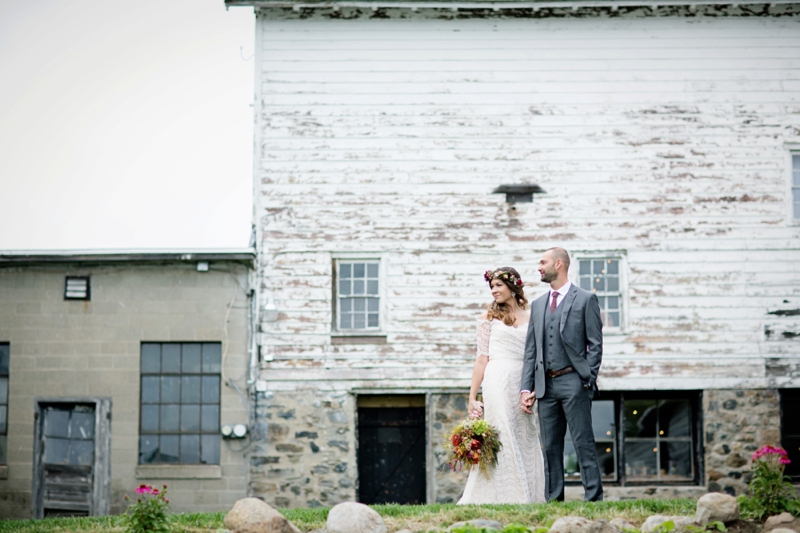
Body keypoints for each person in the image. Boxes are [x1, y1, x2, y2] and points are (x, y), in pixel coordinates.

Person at [520, 247, 604, 502]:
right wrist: (526, 388)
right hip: (546, 387)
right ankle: (554, 500)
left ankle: (594, 498)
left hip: (574, 382)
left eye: (542, 262)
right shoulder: (538, 305)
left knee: (583, 443)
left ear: (558, 264)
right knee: (551, 448)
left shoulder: (585, 299)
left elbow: (595, 343)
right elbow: (531, 352)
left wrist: (586, 379)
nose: (538, 267)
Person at [458, 267, 546, 505]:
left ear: (513, 287)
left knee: (523, 435)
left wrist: (535, 388)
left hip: (523, 382)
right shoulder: (488, 319)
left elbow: (537, 357)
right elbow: (481, 358)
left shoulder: (533, 318)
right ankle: (509, 496)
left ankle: (531, 495)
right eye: (492, 286)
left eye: (498, 285)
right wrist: (472, 396)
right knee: (502, 433)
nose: (494, 290)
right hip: (496, 379)